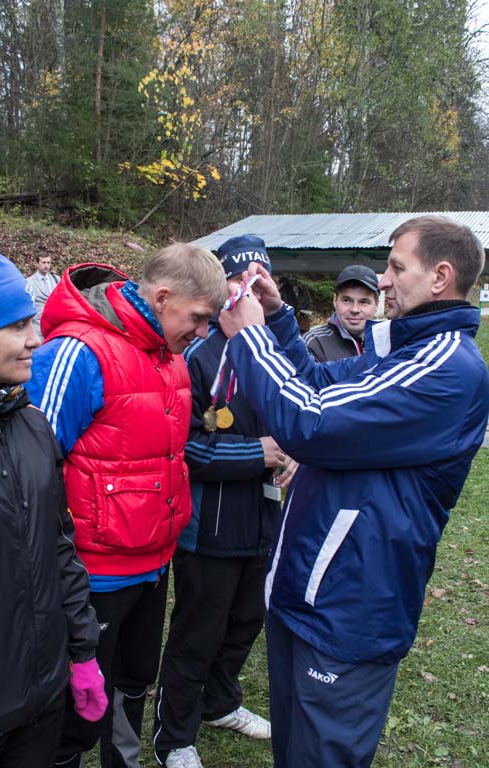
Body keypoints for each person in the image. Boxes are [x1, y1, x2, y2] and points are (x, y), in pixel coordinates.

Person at [218, 216, 489, 768]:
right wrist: (277, 318)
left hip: (351, 611)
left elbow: (309, 422)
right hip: (307, 591)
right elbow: (317, 385)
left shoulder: (445, 369)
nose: (383, 281)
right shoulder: (402, 352)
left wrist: (248, 337)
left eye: (396, 268)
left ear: (440, 277)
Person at [27, 243, 226, 768]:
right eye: (198, 317)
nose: (203, 331)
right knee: (75, 707)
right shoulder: (78, 352)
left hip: (153, 564)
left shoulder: (170, 356)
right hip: (91, 575)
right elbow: (31, 470)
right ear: (162, 298)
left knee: (132, 682)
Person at [153, 235, 297, 768]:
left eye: (258, 279)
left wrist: (291, 454)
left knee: (244, 624)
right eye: (238, 279)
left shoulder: (272, 347)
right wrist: (258, 453)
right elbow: (184, 446)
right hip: (208, 529)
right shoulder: (195, 352)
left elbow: (299, 414)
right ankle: (174, 737)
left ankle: (220, 703)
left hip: (263, 521)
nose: (247, 291)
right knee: (198, 634)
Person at [0, 250, 105, 768]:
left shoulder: (32, 423)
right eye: (17, 326)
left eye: (33, 323)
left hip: (42, 695)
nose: (36, 339)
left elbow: (59, 545)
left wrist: (82, 651)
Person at [303, 264, 379, 362]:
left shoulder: (389, 341)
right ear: (335, 301)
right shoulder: (313, 343)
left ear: (376, 304)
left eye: (364, 302)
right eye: (346, 300)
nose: (355, 309)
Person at [27, 251, 60, 339]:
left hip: (55, 326)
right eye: (43, 263)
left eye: (48, 263)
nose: (46, 266)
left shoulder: (57, 279)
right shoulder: (29, 282)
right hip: (38, 327)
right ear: (37, 263)